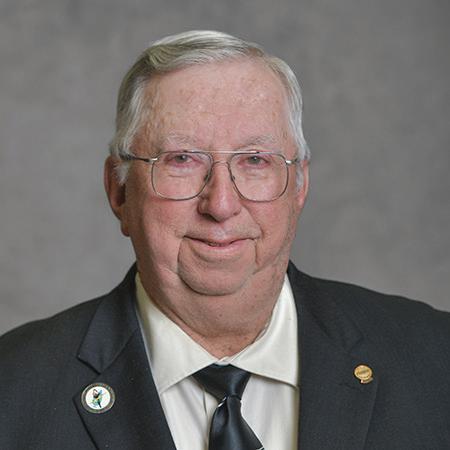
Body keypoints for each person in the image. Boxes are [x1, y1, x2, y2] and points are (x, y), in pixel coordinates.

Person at [0, 30, 449, 450]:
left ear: (299, 187)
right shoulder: (13, 389)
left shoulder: (436, 359)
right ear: (119, 191)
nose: (220, 204)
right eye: (181, 159)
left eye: (255, 160)